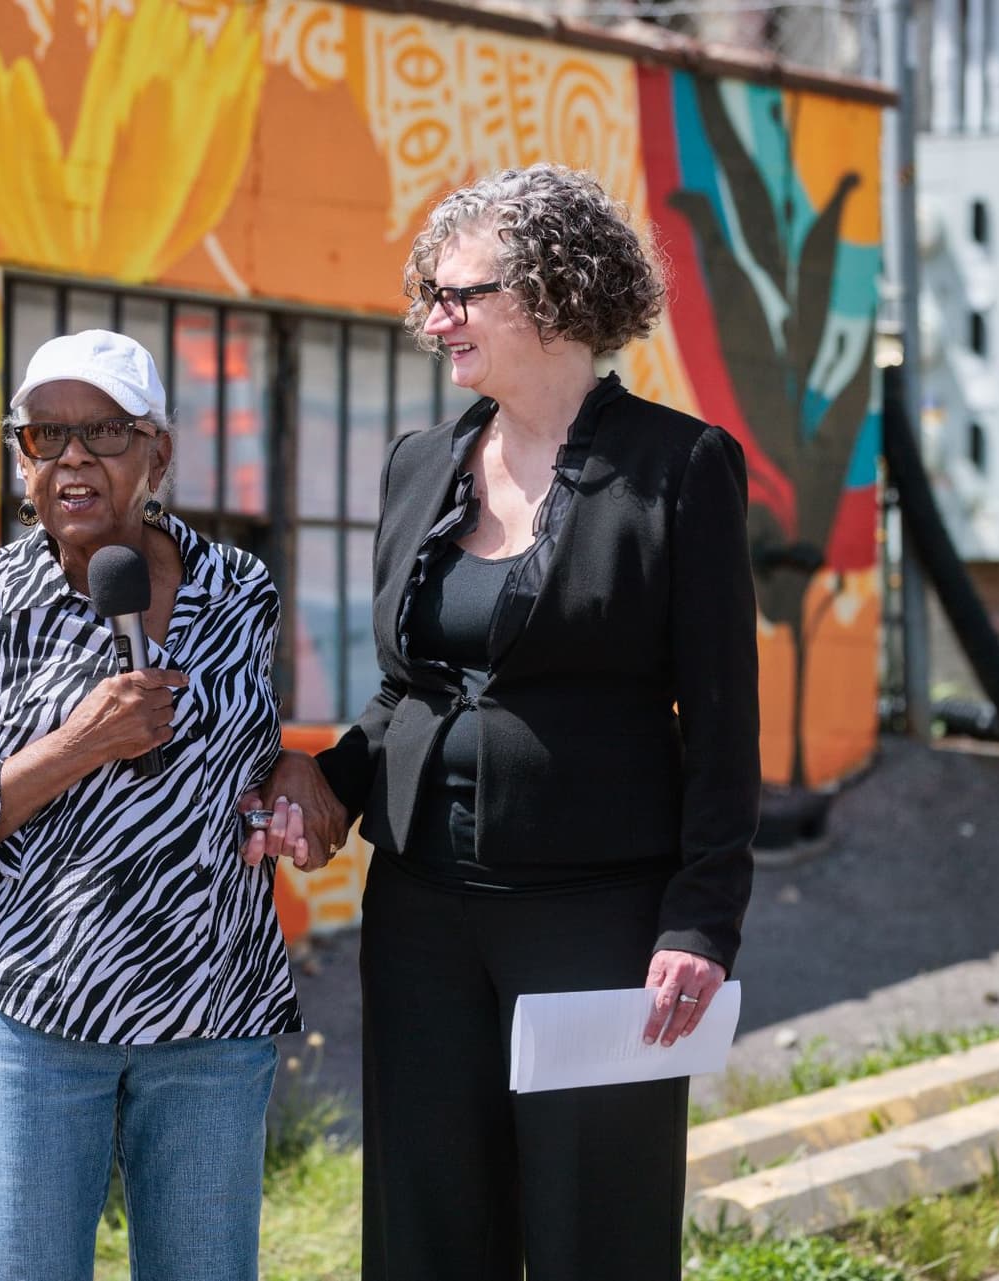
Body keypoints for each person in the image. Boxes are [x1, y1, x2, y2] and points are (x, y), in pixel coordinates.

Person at [282, 163, 761, 1280]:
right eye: (430, 295)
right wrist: (330, 783)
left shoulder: (681, 468)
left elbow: (723, 723)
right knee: (427, 1231)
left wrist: (701, 923)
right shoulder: (419, 466)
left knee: (597, 1234)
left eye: (461, 294)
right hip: (419, 911)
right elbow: (407, 689)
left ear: (554, 294)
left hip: (596, 920)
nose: (433, 319)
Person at [0, 330, 320, 1281]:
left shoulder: (239, 589)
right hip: (36, 1017)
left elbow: (238, 756)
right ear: (22, 460)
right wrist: (76, 745)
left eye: (105, 431)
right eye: (45, 435)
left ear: (158, 452)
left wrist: (287, 777)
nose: (73, 456)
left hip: (212, 1014)